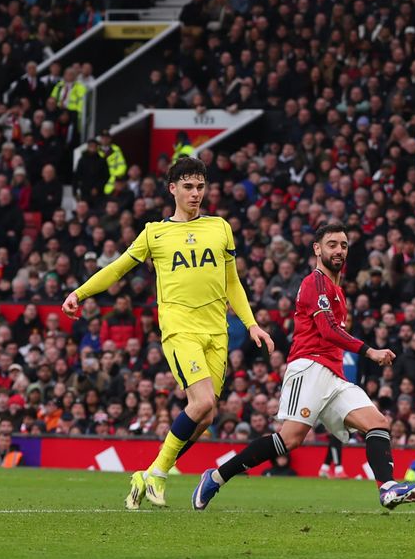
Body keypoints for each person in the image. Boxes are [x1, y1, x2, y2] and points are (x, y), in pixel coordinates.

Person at [63, 156, 274, 508]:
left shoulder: (220, 227)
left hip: (216, 331)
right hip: (180, 329)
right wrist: (79, 293)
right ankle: (159, 474)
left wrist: (251, 323)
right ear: (172, 188)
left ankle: (147, 474)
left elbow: (232, 282)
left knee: (205, 414)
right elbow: (116, 270)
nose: (195, 194)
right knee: (203, 402)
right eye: (188, 187)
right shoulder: (154, 233)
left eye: (201, 187)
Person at [192, 222, 415, 510]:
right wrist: (370, 352)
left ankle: (388, 488)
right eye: (332, 244)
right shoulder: (314, 282)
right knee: (289, 439)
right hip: (309, 368)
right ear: (317, 249)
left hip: (334, 375)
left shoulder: (336, 290)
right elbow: (328, 330)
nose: (339, 250)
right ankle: (216, 477)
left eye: (343, 245)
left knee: (378, 423)